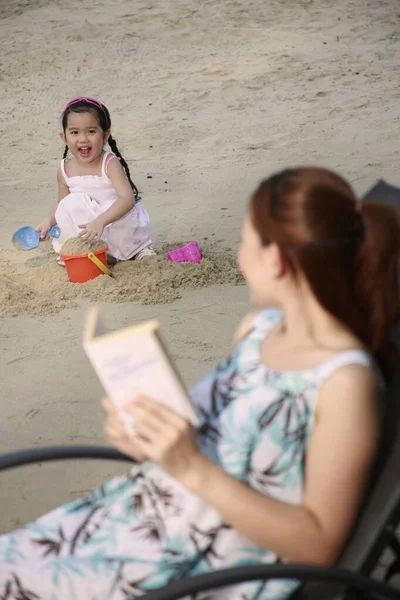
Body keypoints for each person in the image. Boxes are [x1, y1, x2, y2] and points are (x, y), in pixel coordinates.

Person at [1, 167, 399, 599]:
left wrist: (189, 464)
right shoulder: (257, 331)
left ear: (277, 261)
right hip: (140, 511)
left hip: (203, 564)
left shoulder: (344, 382)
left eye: (245, 241)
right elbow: (212, 437)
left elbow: (319, 544)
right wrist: (152, 436)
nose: (240, 256)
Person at [36, 97, 156, 265]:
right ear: (64, 137)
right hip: (92, 230)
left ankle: (137, 249)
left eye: (91, 131)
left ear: (105, 135)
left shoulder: (110, 164)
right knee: (70, 203)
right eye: (75, 132)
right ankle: (85, 250)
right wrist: (49, 219)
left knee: (128, 239)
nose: (83, 139)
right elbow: (62, 204)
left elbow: (127, 199)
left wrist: (101, 221)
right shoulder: (64, 171)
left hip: (117, 223)